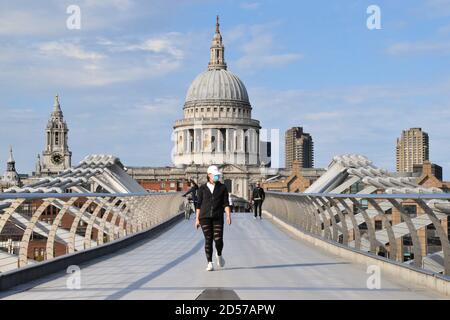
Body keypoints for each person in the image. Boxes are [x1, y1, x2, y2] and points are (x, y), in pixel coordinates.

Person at [195, 165, 231, 271]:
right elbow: (198, 204)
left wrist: (228, 215)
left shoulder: (222, 187)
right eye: (215, 175)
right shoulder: (202, 188)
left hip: (217, 216)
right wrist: (197, 219)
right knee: (208, 239)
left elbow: (226, 203)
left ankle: (219, 254)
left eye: (217, 175)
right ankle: (209, 262)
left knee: (218, 239)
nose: (217, 177)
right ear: (209, 175)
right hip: (204, 217)